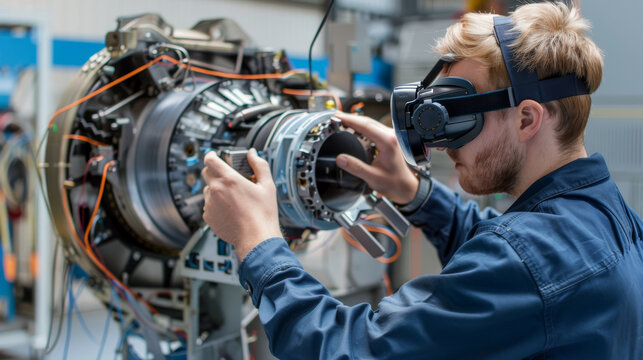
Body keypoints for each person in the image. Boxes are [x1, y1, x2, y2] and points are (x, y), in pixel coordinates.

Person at [202, 2, 643, 359]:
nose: (441, 145)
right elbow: (503, 252)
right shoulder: (610, 216)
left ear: (527, 118)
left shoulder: (532, 260)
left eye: (460, 117)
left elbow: (345, 349)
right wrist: (413, 193)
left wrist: (257, 241)